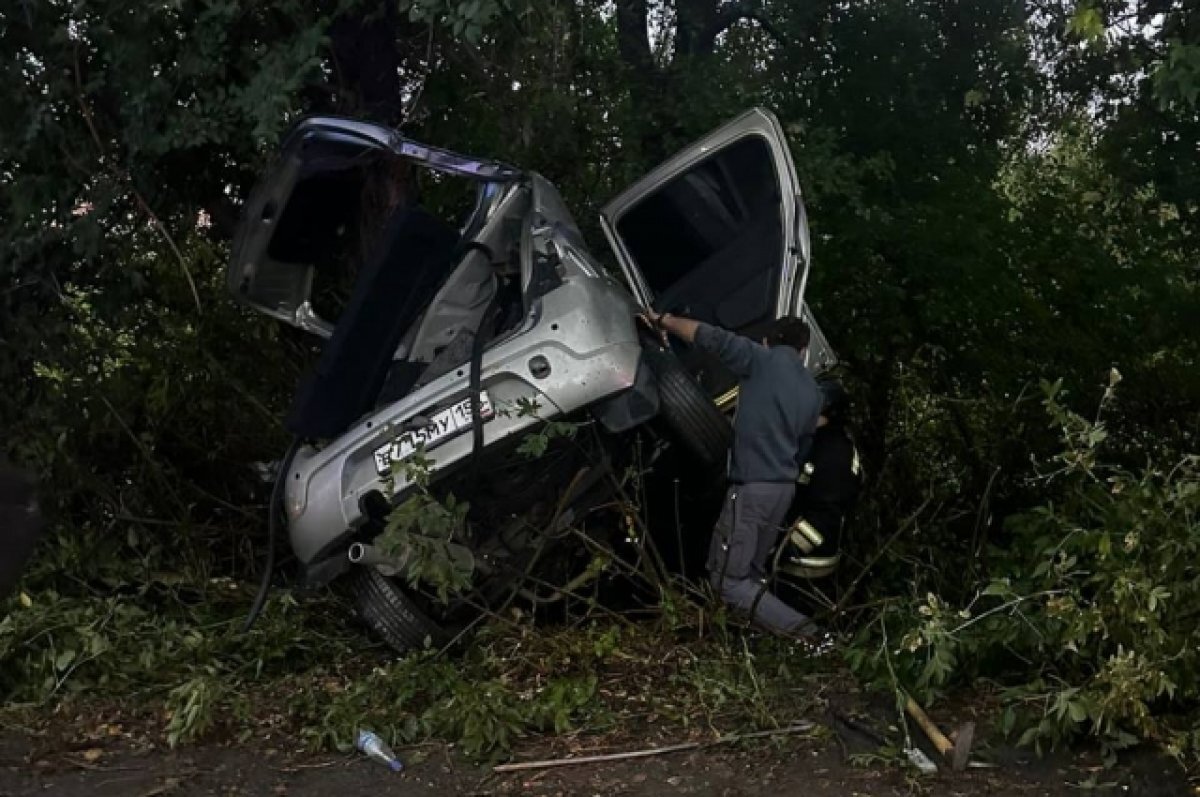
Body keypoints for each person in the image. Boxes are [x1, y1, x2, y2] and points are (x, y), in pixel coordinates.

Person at [642, 310, 823, 638]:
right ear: (804, 350)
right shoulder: (813, 392)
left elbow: (709, 335)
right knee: (750, 577)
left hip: (752, 490)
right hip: (782, 491)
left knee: (728, 581)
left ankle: (809, 635)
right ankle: (747, 645)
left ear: (766, 341)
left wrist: (664, 320)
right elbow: (803, 444)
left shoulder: (760, 360)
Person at [776, 380, 862, 581]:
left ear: (830, 414)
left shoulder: (834, 457)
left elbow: (823, 520)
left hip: (806, 567)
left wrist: (780, 550)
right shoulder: (818, 440)